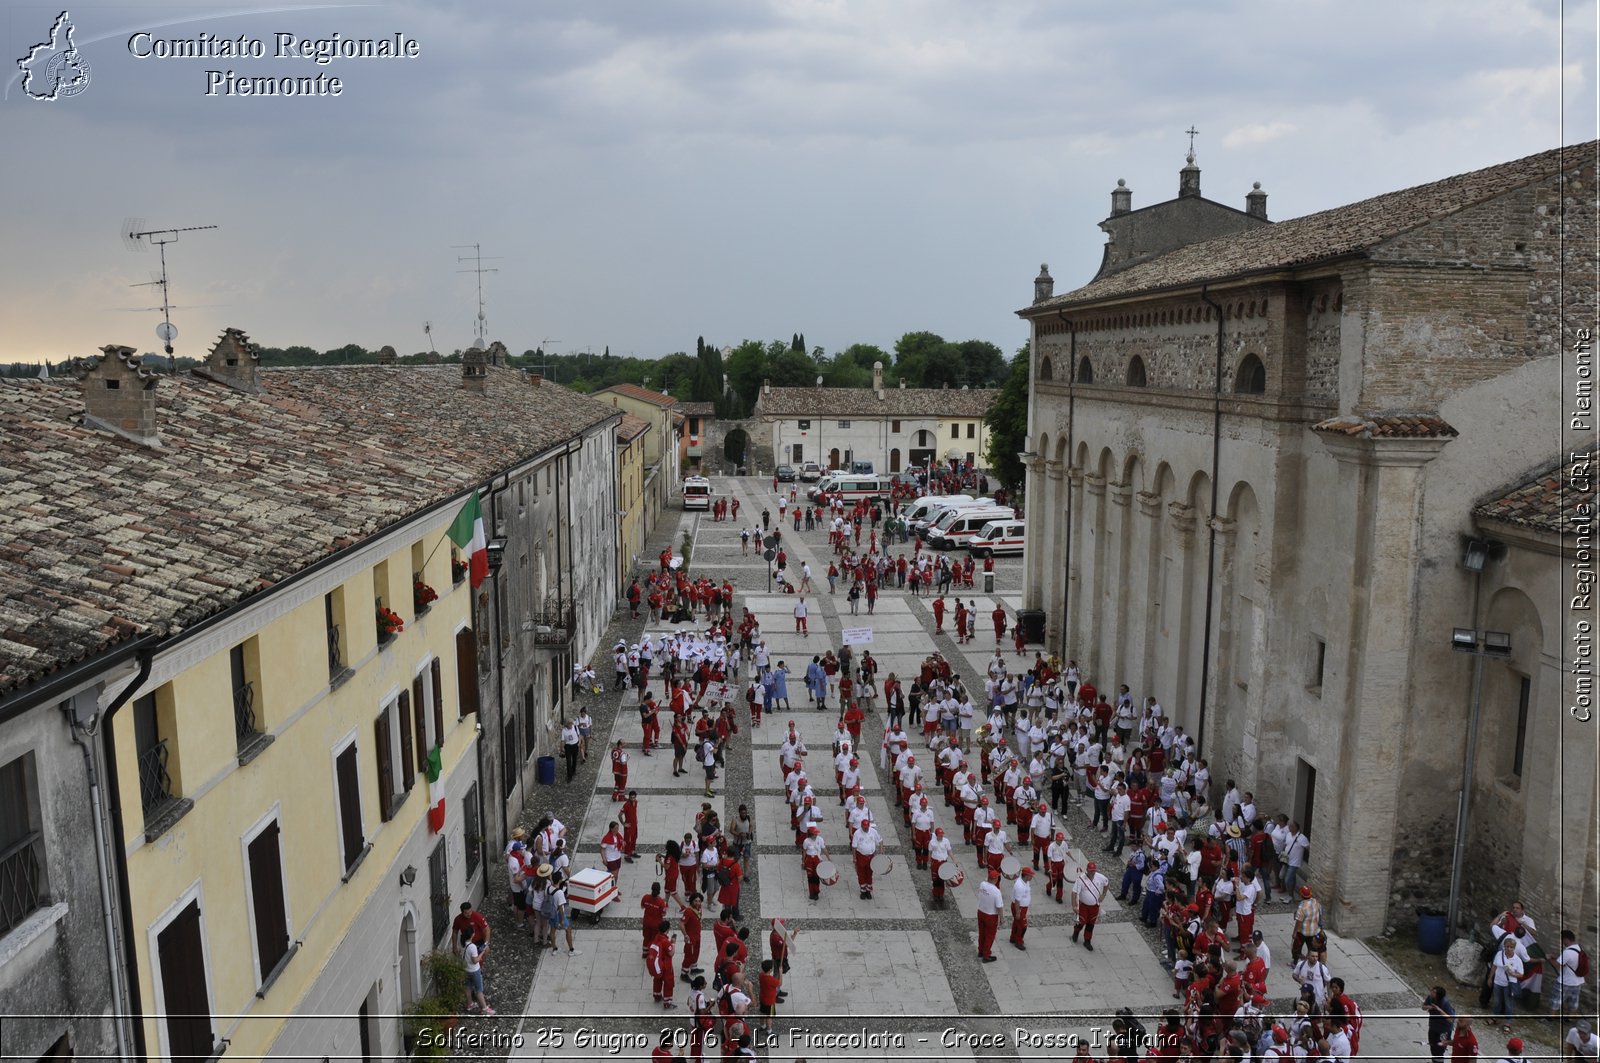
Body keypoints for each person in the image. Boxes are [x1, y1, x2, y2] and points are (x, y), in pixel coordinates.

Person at [1489, 936, 1524, 1031]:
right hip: (1498, 981)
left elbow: (1521, 974)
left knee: (1509, 1004)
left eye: (1511, 947)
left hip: (1509, 984)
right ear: (1504, 946)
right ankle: (1495, 1018)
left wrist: (1513, 974)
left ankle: (1508, 1023)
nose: (1509, 949)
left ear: (1514, 948)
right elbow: (1494, 966)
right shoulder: (1499, 954)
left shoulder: (1517, 960)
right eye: (1507, 946)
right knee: (1496, 1002)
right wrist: (1490, 978)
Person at [1071, 860, 1108, 951]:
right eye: (1091, 870)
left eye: (1094, 870)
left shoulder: (1100, 877)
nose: (1092, 872)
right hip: (1083, 906)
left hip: (1095, 906)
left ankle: (1087, 940)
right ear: (1087, 870)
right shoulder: (1081, 879)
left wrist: (1103, 895)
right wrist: (1074, 906)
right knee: (1081, 922)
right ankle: (1076, 931)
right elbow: (1074, 893)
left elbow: (1107, 884)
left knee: (1091, 924)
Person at [1552, 928, 1588, 1019]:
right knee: (1574, 1001)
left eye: (1562, 939)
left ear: (1566, 939)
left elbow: (1557, 965)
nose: (1562, 941)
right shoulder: (1580, 948)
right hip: (1578, 981)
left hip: (1566, 981)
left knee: (1556, 1000)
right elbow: (1571, 962)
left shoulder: (1567, 952)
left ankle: (1550, 1018)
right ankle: (1569, 1018)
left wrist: (1549, 958)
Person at [976, 867, 1005, 962]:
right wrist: (1002, 918)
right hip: (991, 915)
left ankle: (980, 951)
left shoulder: (982, 884)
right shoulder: (996, 891)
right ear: (996, 879)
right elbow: (999, 906)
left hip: (981, 912)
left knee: (982, 933)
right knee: (989, 936)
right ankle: (986, 955)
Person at [462, 932, 493, 1015]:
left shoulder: (463, 944)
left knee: (468, 987)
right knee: (479, 989)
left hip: (466, 969)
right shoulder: (472, 946)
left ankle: (470, 1004)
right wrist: (482, 952)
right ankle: (484, 1008)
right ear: (472, 935)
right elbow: (475, 960)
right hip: (474, 970)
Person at [1424, 986, 1457, 1062]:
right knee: (1432, 1045)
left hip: (1443, 1030)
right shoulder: (1430, 998)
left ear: (1438, 995)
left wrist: (1439, 1010)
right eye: (1431, 990)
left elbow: (1451, 1019)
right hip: (1433, 1027)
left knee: (1440, 1049)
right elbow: (1423, 1007)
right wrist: (1428, 1007)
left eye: (1434, 992)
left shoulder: (1445, 1003)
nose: (1431, 992)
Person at [1009, 866, 1035, 950]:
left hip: (1022, 907)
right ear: (1026, 876)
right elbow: (1017, 901)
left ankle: (1013, 937)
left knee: (1017, 923)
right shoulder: (1019, 886)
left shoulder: (1026, 881)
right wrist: (1018, 912)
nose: (1032, 877)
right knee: (1023, 926)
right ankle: (1019, 941)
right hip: (1019, 908)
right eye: (1031, 875)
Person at [561, 717, 581, 782]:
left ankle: (574, 770)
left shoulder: (575, 727)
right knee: (568, 761)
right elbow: (562, 740)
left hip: (575, 745)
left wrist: (579, 743)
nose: (571, 725)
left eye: (571, 723)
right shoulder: (564, 731)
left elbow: (579, 735)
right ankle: (569, 776)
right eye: (569, 723)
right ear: (566, 724)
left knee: (574, 759)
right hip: (568, 747)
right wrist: (561, 748)